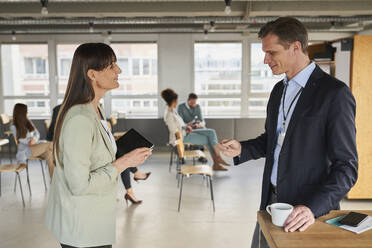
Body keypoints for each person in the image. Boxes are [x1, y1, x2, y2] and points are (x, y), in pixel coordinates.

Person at [219, 17, 358, 247]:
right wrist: (243, 148)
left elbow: (346, 168)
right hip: (271, 204)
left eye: (271, 52)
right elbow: (272, 141)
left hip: (308, 213)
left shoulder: (334, 94)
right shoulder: (278, 91)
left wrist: (312, 208)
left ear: (295, 47)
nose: (265, 60)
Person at [45, 43, 152, 248]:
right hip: (82, 226)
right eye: (111, 66)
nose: (118, 70)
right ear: (92, 74)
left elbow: (94, 152)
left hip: (93, 220)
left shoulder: (96, 109)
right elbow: (79, 185)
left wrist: (122, 152)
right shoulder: (79, 118)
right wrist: (123, 163)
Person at [161, 88, 229, 171]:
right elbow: (174, 131)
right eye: (177, 100)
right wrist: (186, 130)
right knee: (209, 139)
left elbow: (180, 125)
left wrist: (187, 126)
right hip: (181, 138)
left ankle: (218, 160)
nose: (177, 102)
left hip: (186, 132)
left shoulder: (172, 111)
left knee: (211, 132)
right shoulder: (169, 114)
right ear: (173, 100)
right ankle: (217, 161)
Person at [10, 103, 55, 179]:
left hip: (35, 146)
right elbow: (21, 139)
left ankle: (54, 181)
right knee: (51, 144)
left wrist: (34, 139)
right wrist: (30, 141)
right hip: (26, 150)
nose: (27, 113)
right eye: (26, 111)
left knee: (50, 154)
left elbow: (37, 133)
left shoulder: (28, 122)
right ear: (21, 113)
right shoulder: (13, 126)